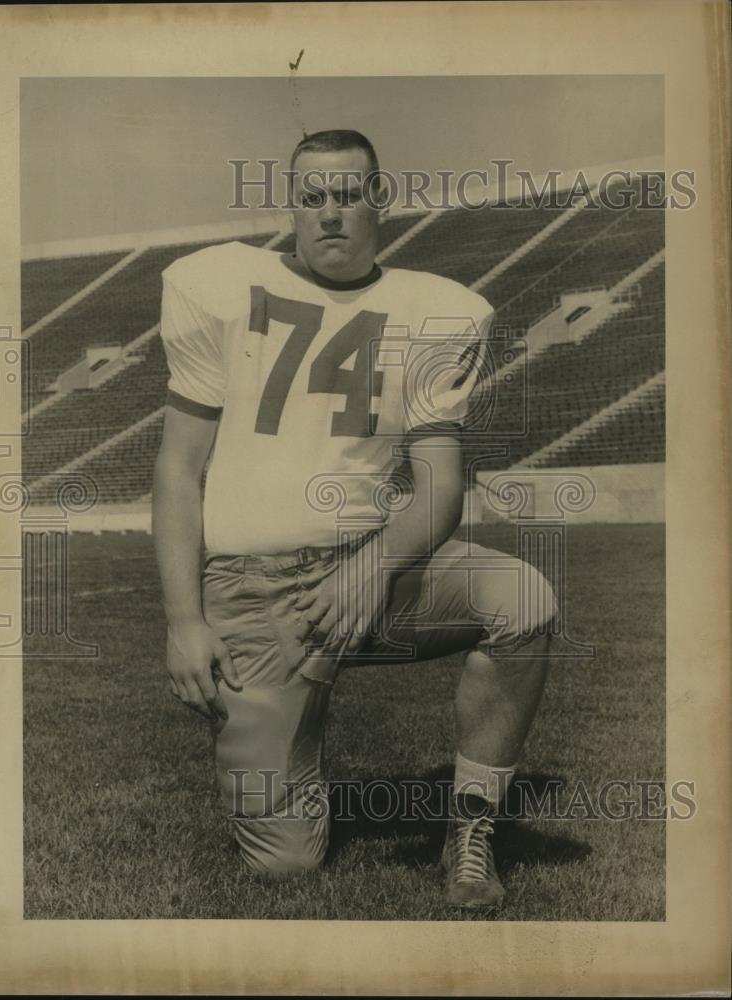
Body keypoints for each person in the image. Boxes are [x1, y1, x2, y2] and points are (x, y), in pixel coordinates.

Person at [152, 129, 556, 910]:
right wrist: (181, 618)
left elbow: (441, 484)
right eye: (313, 197)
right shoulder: (221, 287)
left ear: (382, 201)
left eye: (349, 194)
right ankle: (285, 742)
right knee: (287, 866)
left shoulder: (432, 309)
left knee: (526, 602)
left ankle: (470, 831)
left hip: (372, 573)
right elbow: (177, 469)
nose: (331, 214)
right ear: (291, 207)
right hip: (255, 594)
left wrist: (371, 568)